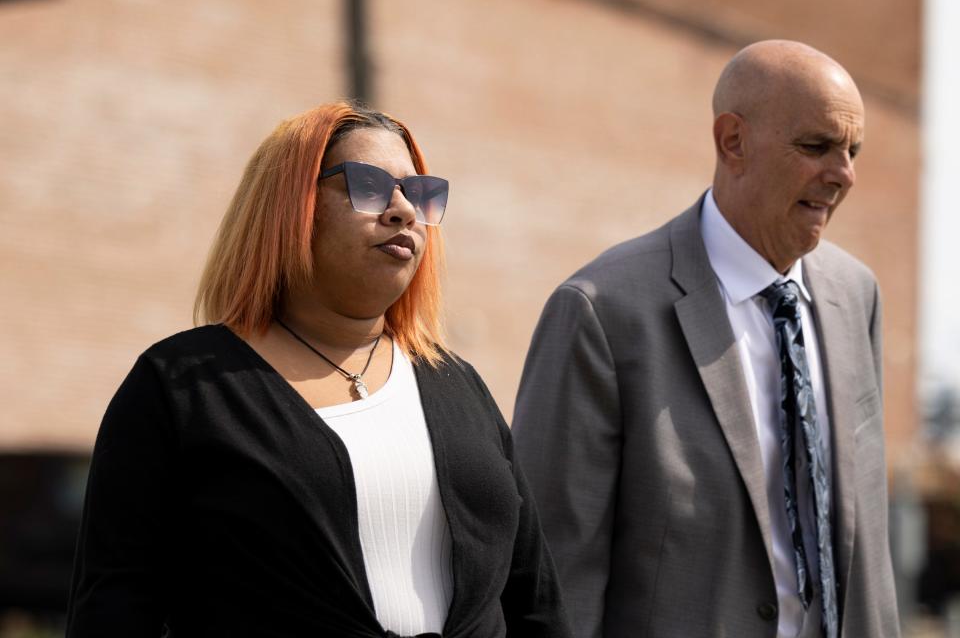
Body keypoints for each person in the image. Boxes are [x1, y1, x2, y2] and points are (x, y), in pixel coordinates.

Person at [67, 101, 571, 638]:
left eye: (420, 194)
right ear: (291, 204)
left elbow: (533, 598)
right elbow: (115, 605)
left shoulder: (459, 384)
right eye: (370, 185)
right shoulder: (182, 386)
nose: (403, 210)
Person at [512, 40, 899, 638]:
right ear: (733, 141)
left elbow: (867, 545)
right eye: (816, 146)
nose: (843, 174)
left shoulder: (857, 295)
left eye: (852, 150)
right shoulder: (600, 312)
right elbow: (557, 576)